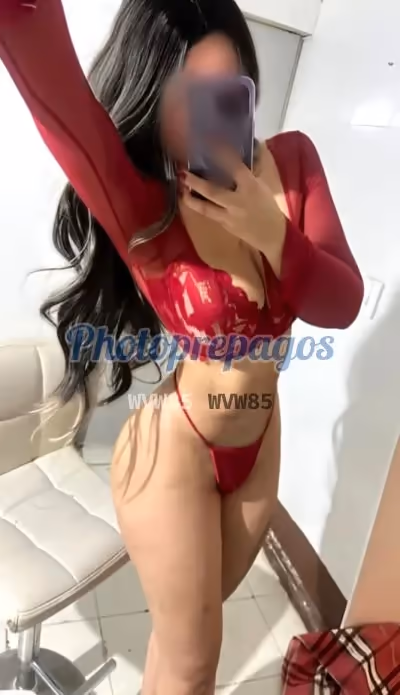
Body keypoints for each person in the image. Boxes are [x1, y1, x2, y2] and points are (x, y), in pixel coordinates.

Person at [0, 1, 364, 694]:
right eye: (187, 97)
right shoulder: (140, 203)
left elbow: (340, 304)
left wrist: (271, 231)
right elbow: (56, 95)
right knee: (196, 662)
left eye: (227, 89)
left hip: (261, 441)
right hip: (180, 449)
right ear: (154, 100)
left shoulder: (293, 161)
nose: (210, 118)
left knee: (181, 644)